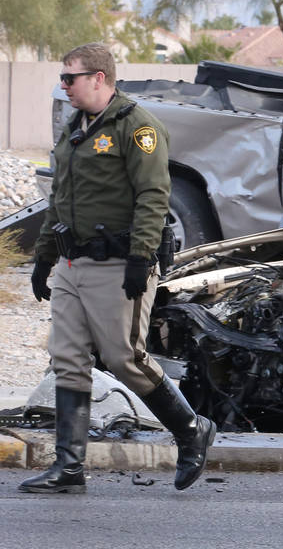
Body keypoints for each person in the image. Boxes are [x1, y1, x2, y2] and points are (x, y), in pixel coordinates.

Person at [22, 43, 215, 494]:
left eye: (70, 78)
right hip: (73, 262)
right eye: (62, 78)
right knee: (67, 359)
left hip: (119, 262)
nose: (63, 86)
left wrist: (139, 259)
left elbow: (154, 195)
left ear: (98, 78)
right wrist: (44, 256)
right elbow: (60, 199)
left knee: (124, 358)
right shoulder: (75, 128)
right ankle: (69, 467)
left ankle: (191, 430)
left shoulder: (137, 127)